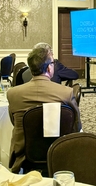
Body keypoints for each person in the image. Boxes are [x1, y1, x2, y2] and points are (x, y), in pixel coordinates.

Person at [7, 45, 82, 173]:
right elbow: (75, 126)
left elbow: (14, 122)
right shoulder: (66, 93)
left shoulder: (13, 94)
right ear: (49, 67)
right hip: (58, 152)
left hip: (24, 155)